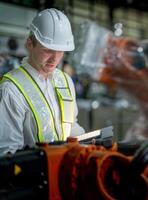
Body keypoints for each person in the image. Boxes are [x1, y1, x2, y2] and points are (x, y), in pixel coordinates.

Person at [0, 8, 85, 155]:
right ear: (30, 44)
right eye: (48, 50)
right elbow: (7, 152)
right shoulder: (11, 89)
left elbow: (71, 125)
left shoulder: (65, 81)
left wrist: (85, 145)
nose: (55, 59)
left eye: (60, 51)